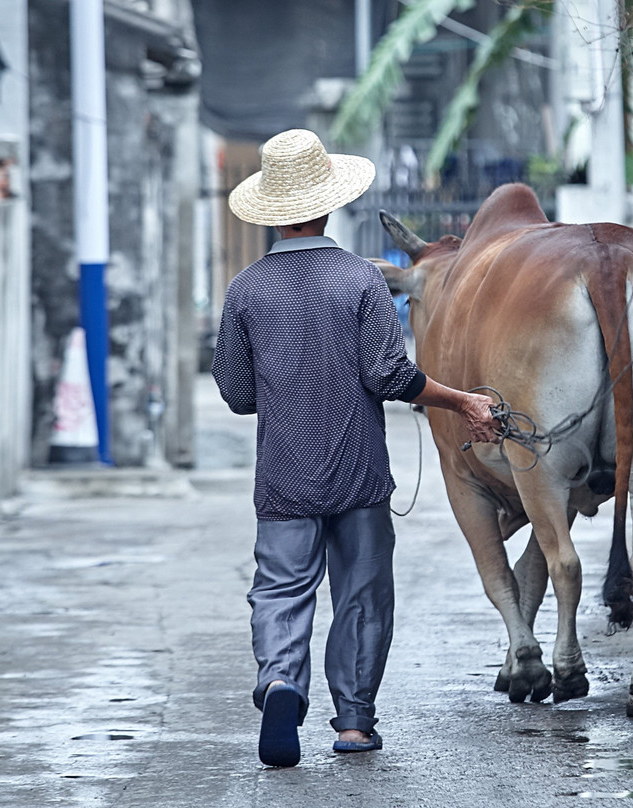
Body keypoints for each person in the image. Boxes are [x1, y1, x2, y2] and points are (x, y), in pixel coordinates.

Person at [212, 129, 498, 768]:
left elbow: (234, 390)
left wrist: (285, 384)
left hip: (284, 471)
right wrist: (463, 400)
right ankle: (354, 725)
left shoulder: (245, 291)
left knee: (281, 588)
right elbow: (393, 378)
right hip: (359, 471)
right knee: (362, 594)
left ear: (274, 211)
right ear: (326, 204)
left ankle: (282, 680)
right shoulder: (361, 282)